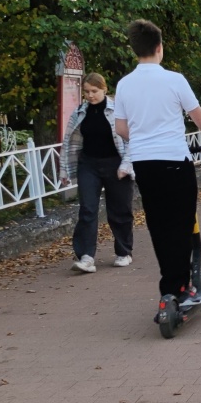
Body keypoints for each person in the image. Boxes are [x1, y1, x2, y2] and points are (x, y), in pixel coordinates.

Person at [111, 19, 201, 317]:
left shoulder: (124, 85)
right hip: (175, 161)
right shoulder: (174, 80)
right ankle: (182, 285)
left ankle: (169, 287)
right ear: (159, 48)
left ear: (135, 49)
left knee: (159, 226)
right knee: (183, 224)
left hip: (144, 165)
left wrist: (145, 138)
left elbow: (121, 128)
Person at [62, 73, 133, 273]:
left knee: (119, 210)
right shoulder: (80, 112)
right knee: (87, 209)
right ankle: (86, 257)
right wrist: (64, 170)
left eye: (94, 91)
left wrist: (126, 165)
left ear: (104, 89)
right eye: (87, 92)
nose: (90, 96)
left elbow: (130, 139)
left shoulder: (117, 111)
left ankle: (123, 252)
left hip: (115, 164)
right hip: (89, 164)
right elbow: (69, 142)